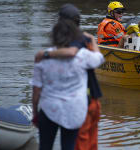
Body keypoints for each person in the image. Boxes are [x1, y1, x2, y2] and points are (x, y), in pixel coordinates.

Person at [31, 4, 105, 150]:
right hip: (75, 110)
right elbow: (99, 58)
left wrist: (35, 112)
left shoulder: (43, 57)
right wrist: (92, 40)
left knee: (45, 146)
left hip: (49, 109)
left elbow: (36, 91)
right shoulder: (83, 54)